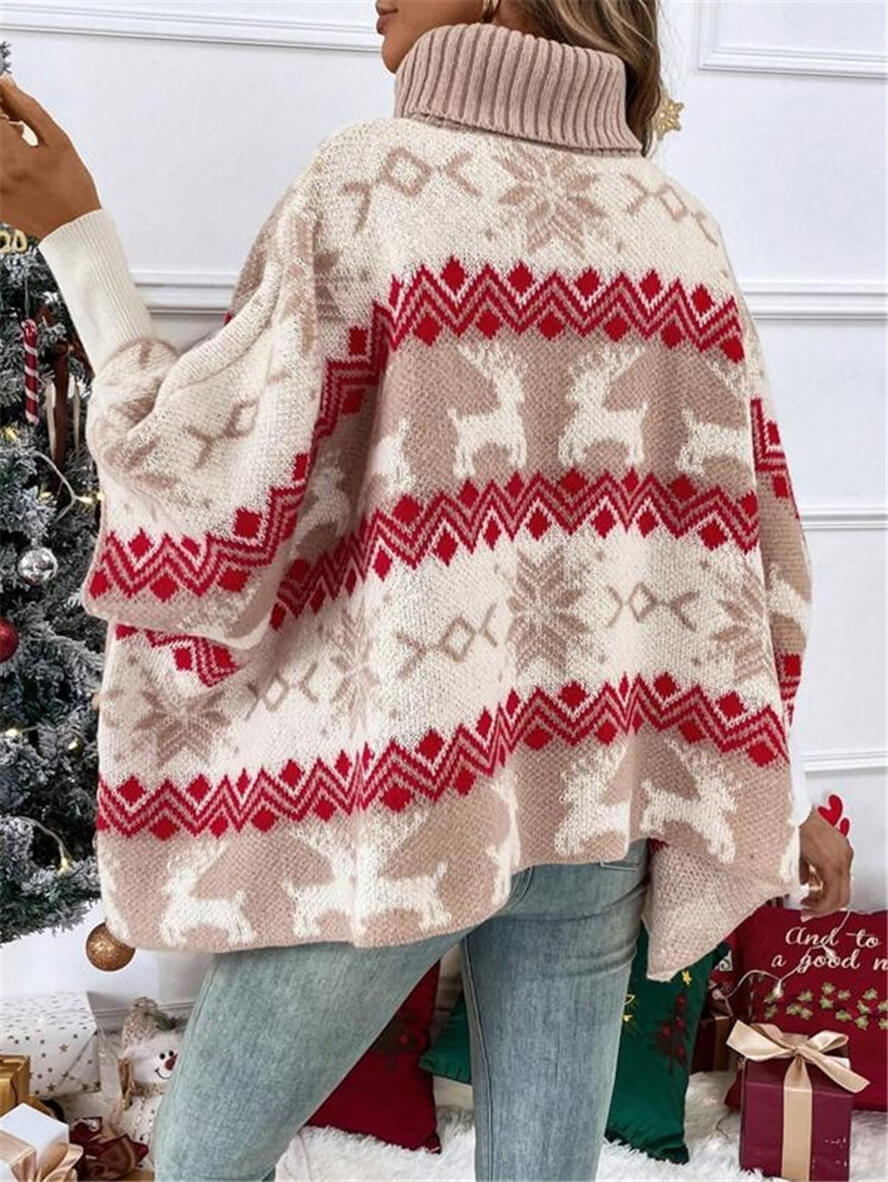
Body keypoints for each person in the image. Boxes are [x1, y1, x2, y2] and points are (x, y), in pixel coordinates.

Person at [0, 1, 853, 1178]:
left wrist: (77, 232)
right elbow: (747, 551)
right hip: (599, 799)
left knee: (201, 1161)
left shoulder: (374, 185)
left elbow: (207, 475)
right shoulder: (679, 231)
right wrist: (766, 779)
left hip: (404, 803)